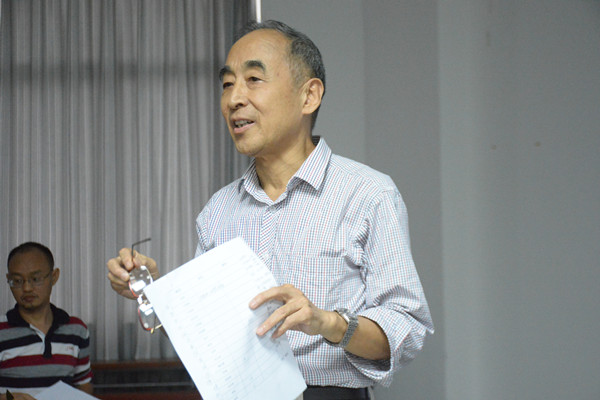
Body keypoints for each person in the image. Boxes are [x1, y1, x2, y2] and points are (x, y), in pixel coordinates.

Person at [107, 20, 433, 400]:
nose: (234, 99)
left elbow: (406, 329)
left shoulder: (367, 194)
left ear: (308, 96)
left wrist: (328, 323)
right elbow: (207, 335)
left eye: (253, 79)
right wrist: (157, 290)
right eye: (227, 84)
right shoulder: (218, 212)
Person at [1, 242, 93, 400]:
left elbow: (83, 384)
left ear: (54, 277)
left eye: (35, 279)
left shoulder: (76, 330)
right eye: (17, 281)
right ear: (8, 280)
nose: (27, 288)